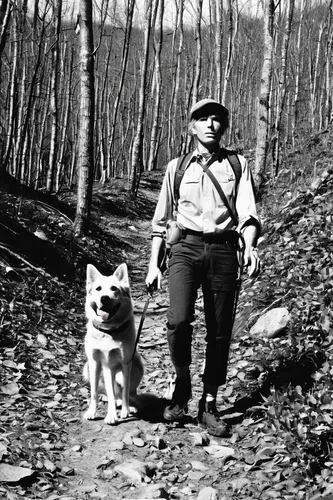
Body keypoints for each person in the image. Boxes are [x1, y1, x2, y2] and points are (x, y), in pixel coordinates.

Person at [145, 98, 261, 436]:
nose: (211, 124)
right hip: (184, 248)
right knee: (178, 320)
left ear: (223, 127)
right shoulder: (176, 167)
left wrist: (250, 246)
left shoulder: (238, 165)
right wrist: (154, 264)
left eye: (217, 120)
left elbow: (248, 214)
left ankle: (209, 402)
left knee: (220, 330)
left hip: (224, 250)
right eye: (203, 119)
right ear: (191, 126)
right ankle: (182, 384)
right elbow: (161, 221)